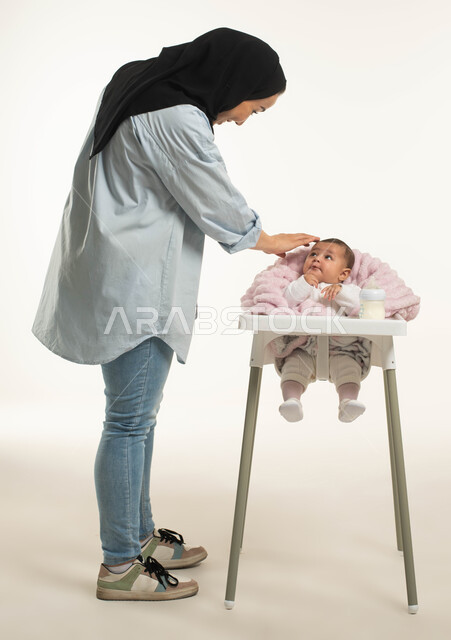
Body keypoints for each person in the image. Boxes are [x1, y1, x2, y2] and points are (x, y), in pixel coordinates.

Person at [31, 27, 319, 601]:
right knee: (129, 421)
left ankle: (137, 536)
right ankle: (119, 566)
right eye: (254, 107)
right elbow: (212, 195)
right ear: (234, 83)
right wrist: (269, 239)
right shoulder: (178, 117)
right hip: (136, 284)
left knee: (137, 417)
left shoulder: (140, 82)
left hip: (117, 266)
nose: (242, 119)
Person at [274, 239, 371, 423]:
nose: (317, 259)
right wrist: (303, 283)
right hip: (304, 348)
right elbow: (285, 302)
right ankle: (292, 402)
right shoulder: (301, 286)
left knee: (349, 371)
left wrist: (341, 291)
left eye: (327, 257)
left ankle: (348, 402)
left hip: (342, 349)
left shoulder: (349, 290)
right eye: (313, 254)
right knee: (292, 369)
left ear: (343, 273)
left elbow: (361, 307)